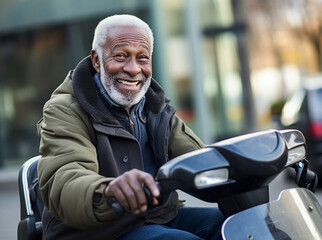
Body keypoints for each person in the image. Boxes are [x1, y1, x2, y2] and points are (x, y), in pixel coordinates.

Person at [37, 14, 225, 240]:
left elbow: (202, 162)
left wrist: (242, 167)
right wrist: (109, 190)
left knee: (235, 225)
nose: (134, 69)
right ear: (96, 60)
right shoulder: (65, 110)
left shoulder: (155, 107)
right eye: (121, 56)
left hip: (156, 216)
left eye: (142, 58)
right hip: (97, 231)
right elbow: (66, 179)